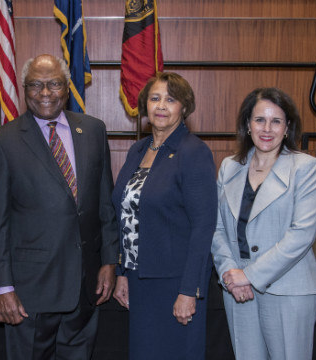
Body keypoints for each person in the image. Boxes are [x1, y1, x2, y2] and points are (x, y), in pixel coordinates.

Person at [0, 54, 119, 359]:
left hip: (86, 287)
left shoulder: (94, 130)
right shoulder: (2, 142)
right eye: (36, 85)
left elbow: (104, 204)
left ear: (67, 87)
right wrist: (2, 287)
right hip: (30, 292)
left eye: (54, 84)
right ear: (24, 89)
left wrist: (110, 261)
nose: (46, 93)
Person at [211, 88, 316, 359]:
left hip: (289, 289)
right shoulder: (229, 166)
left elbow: (301, 235)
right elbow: (216, 229)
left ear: (287, 128)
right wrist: (230, 273)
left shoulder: (306, 167)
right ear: (247, 125)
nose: (267, 128)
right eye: (259, 119)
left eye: (276, 121)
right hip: (237, 289)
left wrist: (249, 276)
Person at [111, 72, 217, 359]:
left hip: (174, 284)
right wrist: (122, 272)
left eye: (170, 100)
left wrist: (188, 291)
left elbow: (204, 227)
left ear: (184, 107)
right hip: (139, 280)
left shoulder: (193, 152)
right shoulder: (138, 150)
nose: (161, 106)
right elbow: (125, 216)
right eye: (155, 98)